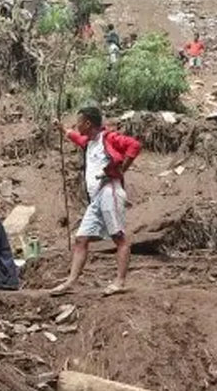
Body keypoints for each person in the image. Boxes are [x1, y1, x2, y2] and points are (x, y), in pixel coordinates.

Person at [51, 106, 141, 297]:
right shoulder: (88, 142)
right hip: (97, 197)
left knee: (119, 237)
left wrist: (121, 169)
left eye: (79, 122)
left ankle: (120, 281)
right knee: (81, 238)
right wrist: (62, 128)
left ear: (88, 123)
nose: (77, 125)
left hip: (110, 192)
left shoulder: (108, 138)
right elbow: (74, 136)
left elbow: (134, 145)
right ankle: (71, 281)